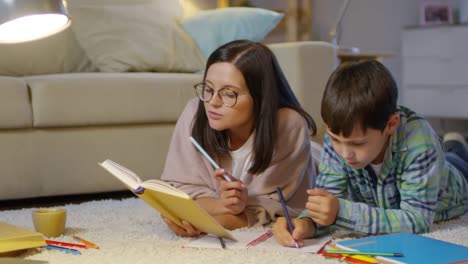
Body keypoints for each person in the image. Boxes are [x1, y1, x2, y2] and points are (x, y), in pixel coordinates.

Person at [273, 60, 468, 247]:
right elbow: (327, 199)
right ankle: (454, 144)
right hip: (427, 167)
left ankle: (456, 145)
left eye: (357, 144)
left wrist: (341, 212)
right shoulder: (341, 137)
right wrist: (307, 223)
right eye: (334, 139)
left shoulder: (420, 144)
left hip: (455, 180)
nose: (344, 153)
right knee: (451, 153)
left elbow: (416, 220)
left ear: (390, 125)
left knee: (457, 159)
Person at [160, 40, 318, 236]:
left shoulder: (289, 124)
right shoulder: (195, 111)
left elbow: (276, 207)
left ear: (261, 97)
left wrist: (209, 216)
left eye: (229, 93)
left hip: (313, 157)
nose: (212, 102)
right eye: (208, 89)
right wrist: (221, 206)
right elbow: (176, 193)